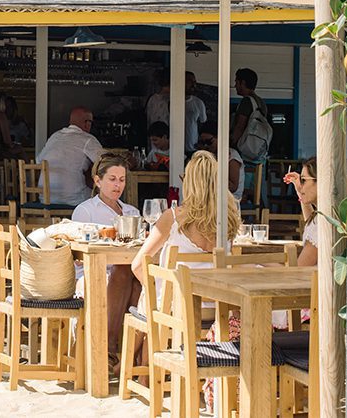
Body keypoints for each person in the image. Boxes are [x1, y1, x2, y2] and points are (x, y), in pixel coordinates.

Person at [73, 154, 143, 364]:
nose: (117, 185)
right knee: (126, 273)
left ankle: (126, 353)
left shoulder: (132, 212)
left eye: (121, 180)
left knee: (138, 281)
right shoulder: (85, 211)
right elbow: (77, 253)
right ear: (98, 181)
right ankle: (116, 349)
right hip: (92, 271)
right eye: (112, 179)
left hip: (127, 272)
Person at [132, 150, 241, 279]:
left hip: (177, 297)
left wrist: (154, 293)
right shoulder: (229, 219)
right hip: (216, 297)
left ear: (189, 182)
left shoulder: (173, 217)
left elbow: (137, 266)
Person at [36, 106, 104, 205]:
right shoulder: (87, 139)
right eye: (91, 122)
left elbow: (39, 161)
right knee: (102, 195)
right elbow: (107, 161)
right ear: (86, 123)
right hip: (73, 199)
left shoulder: (55, 136)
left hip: (45, 198)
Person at [146, 70, 208, 156]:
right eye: (189, 81)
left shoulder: (198, 103)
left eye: (194, 82)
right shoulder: (159, 100)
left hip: (190, 148)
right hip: (167, 149)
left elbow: (203, 125)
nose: (193, 85)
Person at [284, 156, 319, 267]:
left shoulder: (322, 226)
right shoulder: (332, 215)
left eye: (303, 180)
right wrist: (300, 192)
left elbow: (299, 269)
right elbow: (310, 222)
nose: (301, 185)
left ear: (319, 181)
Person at [196, 126, 244, 201]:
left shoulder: (232, 156)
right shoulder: (212, 155)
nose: (206, 146)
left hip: (230, 200)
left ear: (219, 138)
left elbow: (233, 187)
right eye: (203, 142)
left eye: (209, 142)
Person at [230, 67, 267, 151]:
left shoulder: (246, 101)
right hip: (256, 149)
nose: (235, 85)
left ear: (243, 83)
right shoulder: (261, 102)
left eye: (236, 82)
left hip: (244, 149)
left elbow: (240, 126)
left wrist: (231, 145)